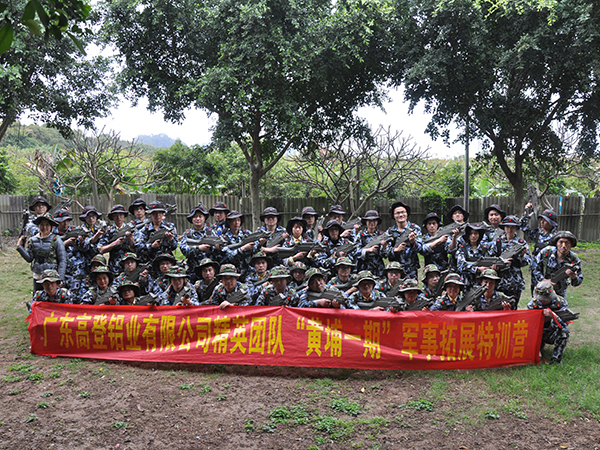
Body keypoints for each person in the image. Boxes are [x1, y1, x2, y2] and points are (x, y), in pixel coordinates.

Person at [17, 213, 67, 291]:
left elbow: (62, 260)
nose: (44, 227)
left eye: (47, 225)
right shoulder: (33, 240)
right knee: (37, 298)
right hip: (37, 275)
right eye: (42, 225)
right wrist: (20, 247)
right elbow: (29, 258)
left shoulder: (57, 240)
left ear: (51, 226)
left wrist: (60, 278)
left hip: (52, 277)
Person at [492, 215, 532, 308]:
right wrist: (500, 263)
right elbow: (491, 259)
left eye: (512, 227)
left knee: (512, 309)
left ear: (516, 228)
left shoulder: (521, 243)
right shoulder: (497, 242)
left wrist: (522, 256)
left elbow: (528, 261)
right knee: (498, 309)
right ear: (504, 227)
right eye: (507, 227)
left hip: (514, 282)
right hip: (499, 281)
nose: (510, 229)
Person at [527, 280, 570, 364]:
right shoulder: (532, 305)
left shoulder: (561, 303)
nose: (543, 301)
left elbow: (564, 324)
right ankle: (536, 350)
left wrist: (554, 316)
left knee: (564, 332)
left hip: (553, 332)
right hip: (538, 333)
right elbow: (529, 326)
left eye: (546, 299)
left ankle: (556, 359)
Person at [532, 231, 583, 299]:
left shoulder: (574, 259)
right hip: (542, 289)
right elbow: (534, 267)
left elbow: (578, 280)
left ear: (571, 244)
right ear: (556, 243)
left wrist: (574, 277)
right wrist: (545, 281)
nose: (564, 246)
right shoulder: (546, 252)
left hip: (560, 292)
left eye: (567, 242)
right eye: (561, 242)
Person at [385, 200, 421, 279]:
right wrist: (395, 250)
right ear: (393, 215)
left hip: (411, 270)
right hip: (395, 271)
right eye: (397, 213)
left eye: (403, 212)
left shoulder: (415, 229)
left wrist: (413, 243)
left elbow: (421, 249)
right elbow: (385, 252)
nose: (401, 214)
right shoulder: (390, 232)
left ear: (407, 213)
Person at [179, 204, 217, 279]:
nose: (198, 219)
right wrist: (198, 248)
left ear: (204, 218)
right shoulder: (188, 234)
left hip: (209, 272)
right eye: (195, 216)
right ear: (192, 219)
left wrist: (217, 248)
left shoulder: (211, 232)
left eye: (200, 216)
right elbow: (183, 249)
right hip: (193, 271)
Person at [98, 204, 135, 274]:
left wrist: (130, 238)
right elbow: (101, 249)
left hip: (128, 268)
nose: (118, 217)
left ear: (124, 216)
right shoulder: (108, 231)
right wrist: (114, 243)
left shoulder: (130, 229)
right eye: (115, 215)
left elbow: (134, 248)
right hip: (114, 267)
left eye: (121, 214)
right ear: (112, 217)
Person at [455, 223, 493, 290]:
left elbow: (489, 263)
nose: (473, 236)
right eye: (471, 234)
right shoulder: (462, 248)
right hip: (466, 283)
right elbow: (460, 266)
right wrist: (477, 269)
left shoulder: (484, 249)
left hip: (481, 283)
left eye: (475, 233)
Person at [221, 210, 255, 279]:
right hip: (231, 273)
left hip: (248, 272)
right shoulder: (224, 238)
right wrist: (243, 248)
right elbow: (228, 255)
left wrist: (260, 244)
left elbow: (255, 248)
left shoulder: (246, 233)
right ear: (229, 222)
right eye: (234, 221)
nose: (236, 223)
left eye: (238, 220)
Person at [355, 210, 387, 277]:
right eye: (369, 221)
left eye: (374, 221)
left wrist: (384, 247)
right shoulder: (360, 235)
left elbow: (385, 255)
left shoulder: (382, 235)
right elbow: (355, 252)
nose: (372, 223)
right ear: (366, 222)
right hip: (364, 268)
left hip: (379, 269)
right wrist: (367, 250)